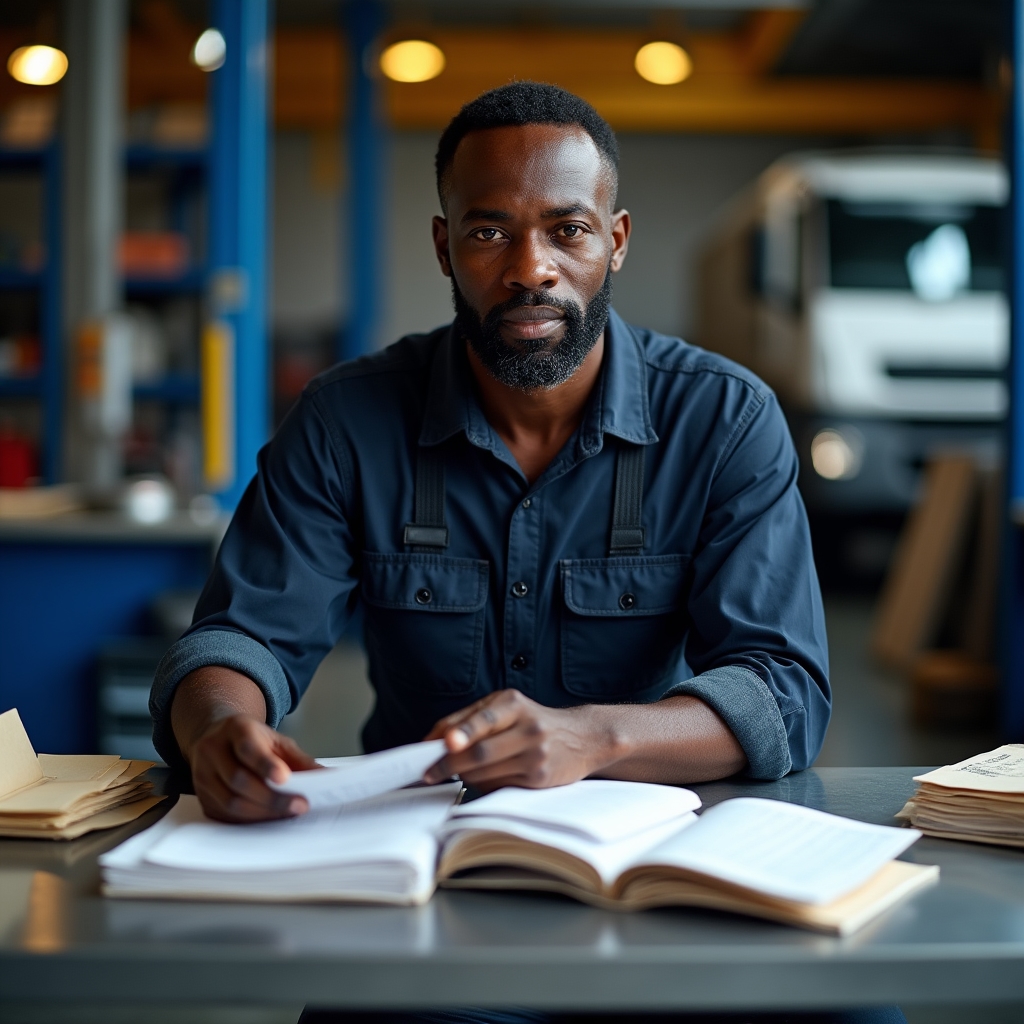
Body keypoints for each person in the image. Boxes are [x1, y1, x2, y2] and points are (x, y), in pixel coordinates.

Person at [152, 82, 900, 1024]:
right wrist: (219, 729)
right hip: (430, 890)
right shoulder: (347, 420)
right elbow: (239, 639)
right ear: (443, 246)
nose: (529, 269)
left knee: (858, 1013)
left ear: (615, 240)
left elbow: (783, 689)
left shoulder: (723, 420)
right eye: (489, 231)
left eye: (568, 231)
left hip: (664, 877)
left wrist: (596, 736)